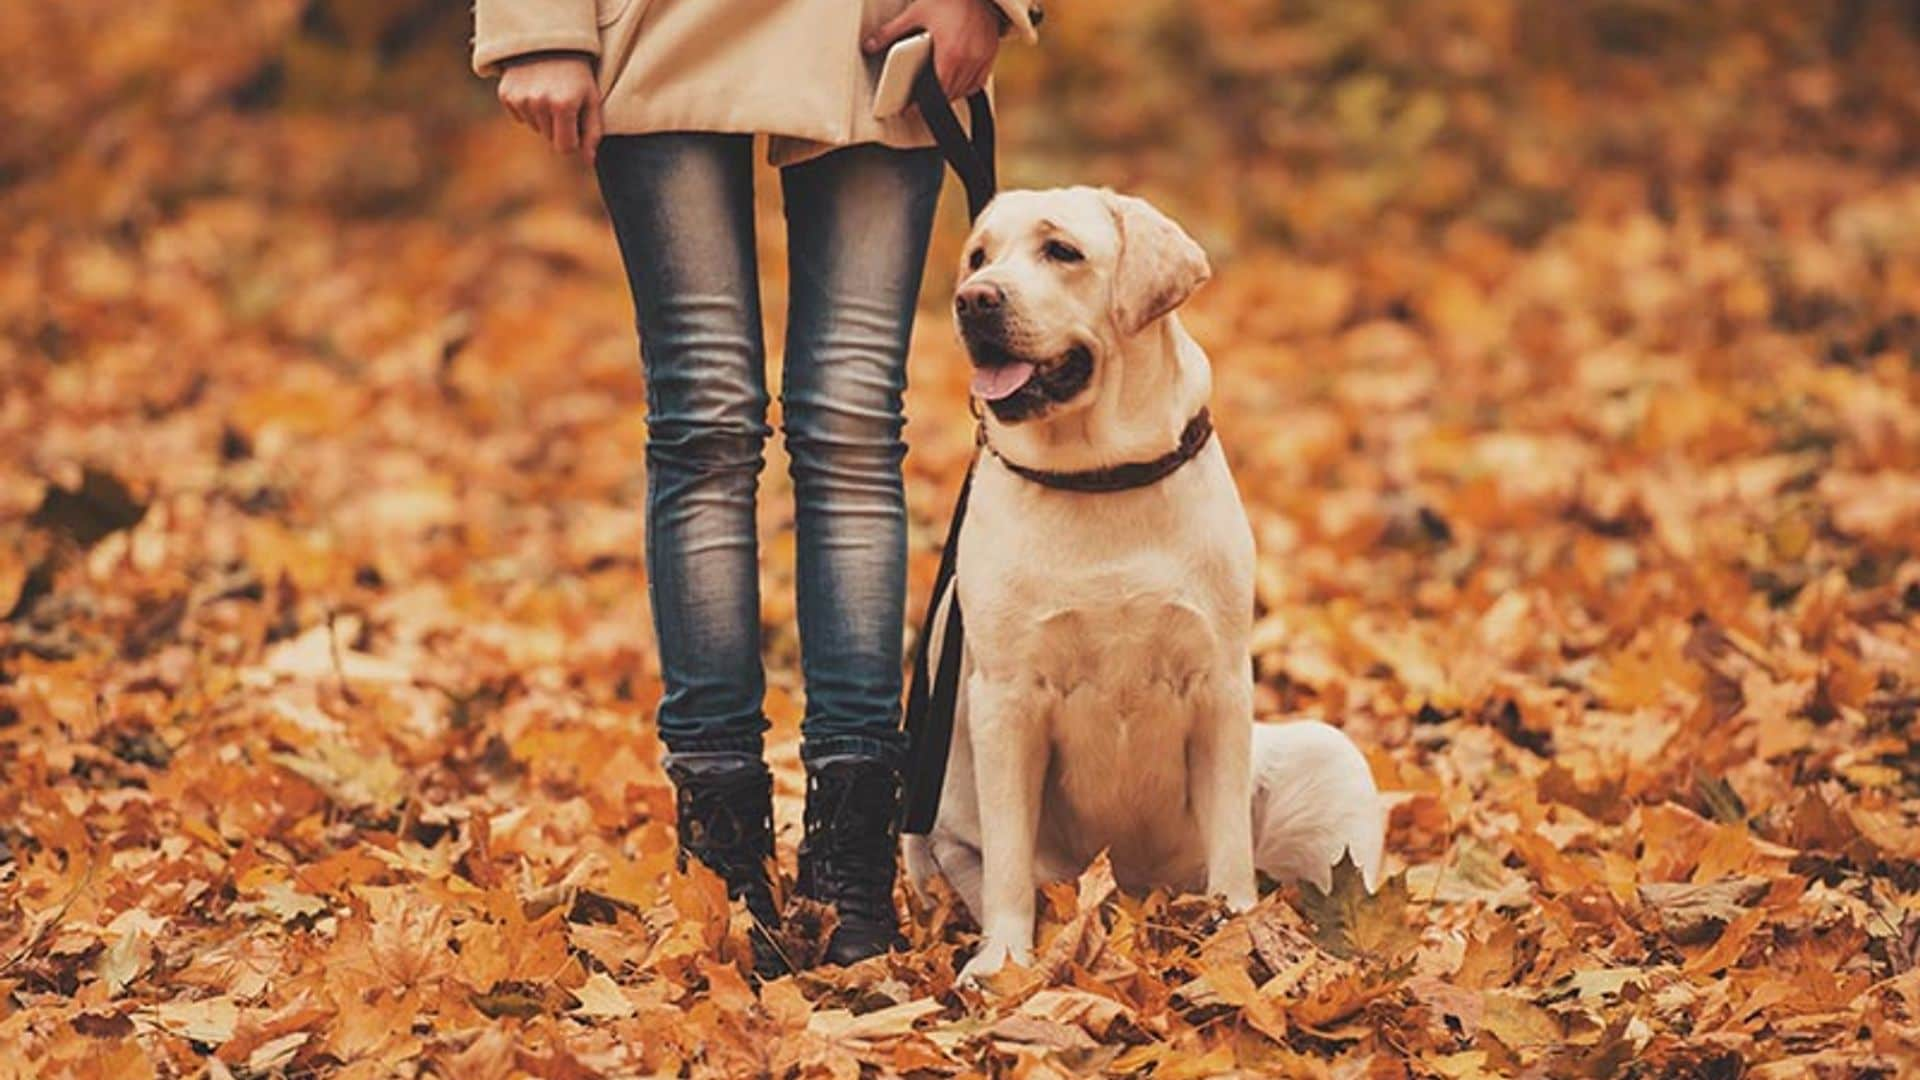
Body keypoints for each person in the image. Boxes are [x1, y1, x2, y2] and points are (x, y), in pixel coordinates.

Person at [471, 0, 1041, 973]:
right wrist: (540, 25)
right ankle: (721, 856)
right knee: (703, 422)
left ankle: (850, 859)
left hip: (881, 30)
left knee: (855, 425)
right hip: (655, 23)